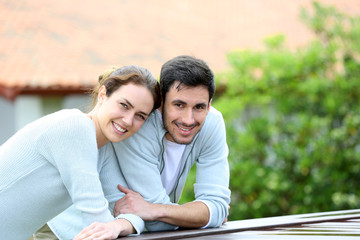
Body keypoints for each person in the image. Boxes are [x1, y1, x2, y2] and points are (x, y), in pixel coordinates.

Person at [38, 55, 231, 239]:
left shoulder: (212, 123)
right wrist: (200, 215)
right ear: (161, 102)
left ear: (209, 104)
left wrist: (155, 210)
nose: (188, 119)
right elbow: (160, 225)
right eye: (179, 105)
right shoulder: (138, 127)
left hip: (121, 229)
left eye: (199, 107)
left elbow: (217, 206)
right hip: (66, 231)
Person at [0, 65, 161, 240]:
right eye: (124, 105)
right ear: (102, 95)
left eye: (140, 116)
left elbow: (127, 211)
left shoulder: (103, 149)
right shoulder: (75, 127)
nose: (128, 120)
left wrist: (118, 225)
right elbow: (96, 218)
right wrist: (112, 226)